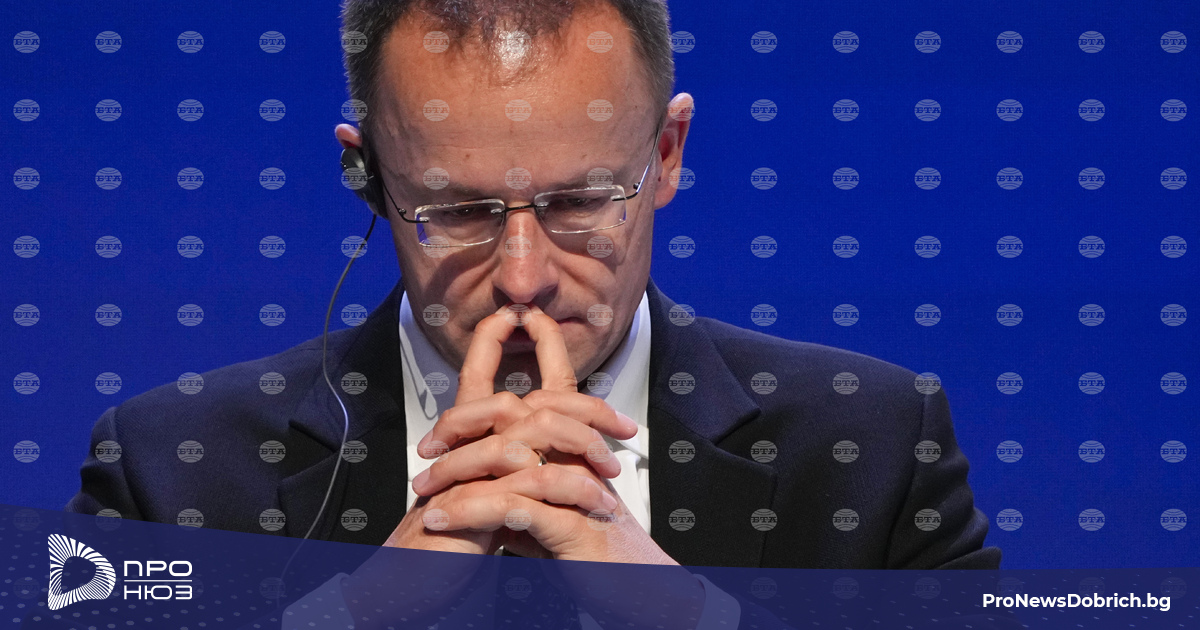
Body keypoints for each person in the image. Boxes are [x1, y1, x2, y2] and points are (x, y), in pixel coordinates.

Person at [68, 0, 999, 575]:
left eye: (580, 201)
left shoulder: (870, 445)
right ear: (369, 178)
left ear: (667, 154)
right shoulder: (171, 471)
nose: (524, 277)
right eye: (458, 209)